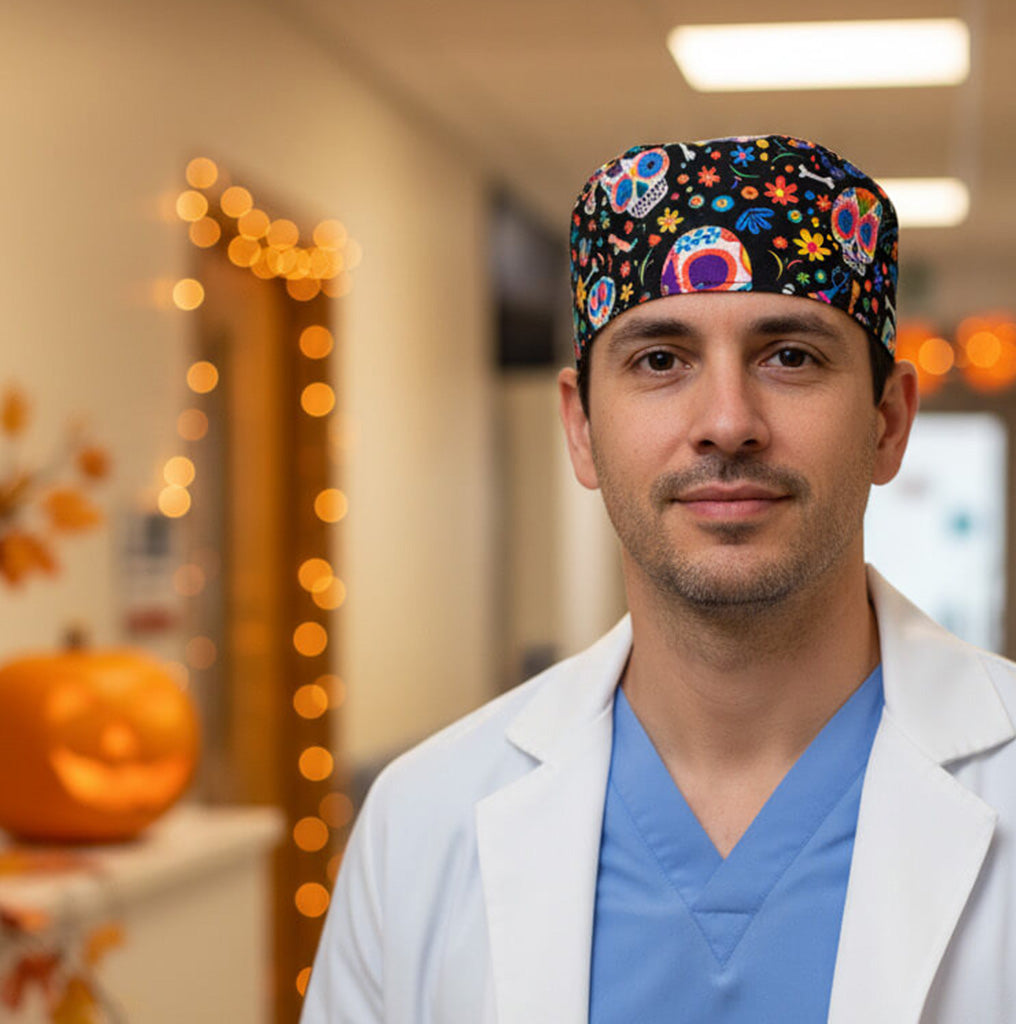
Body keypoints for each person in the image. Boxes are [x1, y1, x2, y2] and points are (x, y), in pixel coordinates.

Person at [301, 135, 1016, 1023]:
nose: (726, 422)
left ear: (888, 421)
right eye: (659, 360)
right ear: (582, 428)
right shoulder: (421, 824)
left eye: (790, 355)